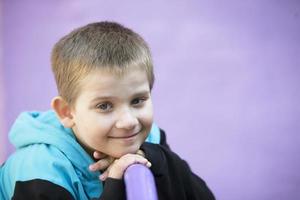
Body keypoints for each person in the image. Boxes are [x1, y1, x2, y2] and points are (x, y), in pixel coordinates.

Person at [0, 22, 215, 200]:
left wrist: (156, 159)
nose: (128, 121)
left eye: (138, 100)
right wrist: (115, 186)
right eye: (104, 106)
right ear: (67, 112)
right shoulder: (39, 172)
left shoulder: (149, 140)